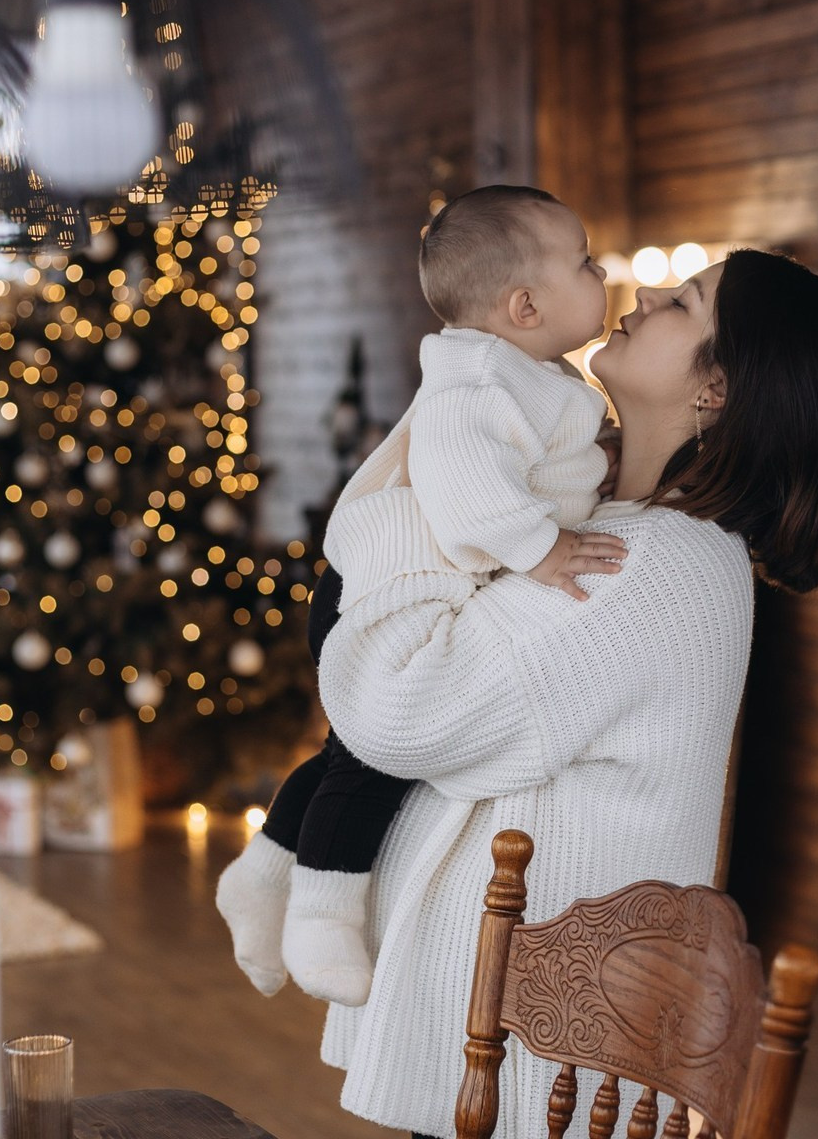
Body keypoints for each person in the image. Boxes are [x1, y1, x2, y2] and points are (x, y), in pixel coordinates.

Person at [294, 247, 818, 1139]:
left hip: (537, 1078)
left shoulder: (649, 566)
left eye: (684, 302)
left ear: (716, 389)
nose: (644, 294)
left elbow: (396, 710)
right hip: (512, 1050)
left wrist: (390, 528)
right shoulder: (608, 530)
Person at [216, 186, 625, 1007]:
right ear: (526, 303)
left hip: (399, 583)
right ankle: (325, 916)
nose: (603, 270)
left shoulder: (527, 372)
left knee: (347, 755)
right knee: (381, 756)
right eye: (584, 260)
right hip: (381, 589)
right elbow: (470, 489)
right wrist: (543, 551)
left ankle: (262, 874)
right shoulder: (478, 382)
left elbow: (551, 463)